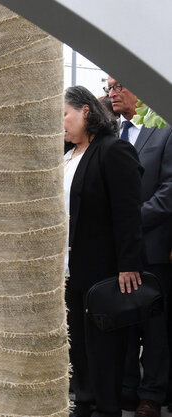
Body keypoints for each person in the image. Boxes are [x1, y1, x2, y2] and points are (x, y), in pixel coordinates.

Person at [63, 85, 143, 417]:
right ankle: (84, 401)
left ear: (85, 111)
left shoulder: (113, 150)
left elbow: (128, 213)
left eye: (64, 114)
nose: (61, 123)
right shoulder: (67, 156)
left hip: (104, 269)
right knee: (77, 343)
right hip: (70, 268)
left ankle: (106, 408)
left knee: (103, 347)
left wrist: (128, 264)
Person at [106, 76, 172, 416]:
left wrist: (132, 222)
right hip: (114, 250)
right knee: (123, 320)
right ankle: (127, 388)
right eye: (108, 88)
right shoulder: (109, 135)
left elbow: (168, 190)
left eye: (118, 86)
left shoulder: (164, 130)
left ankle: (153, 394)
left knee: (154, 325)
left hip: (152, 245)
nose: (112, 93)